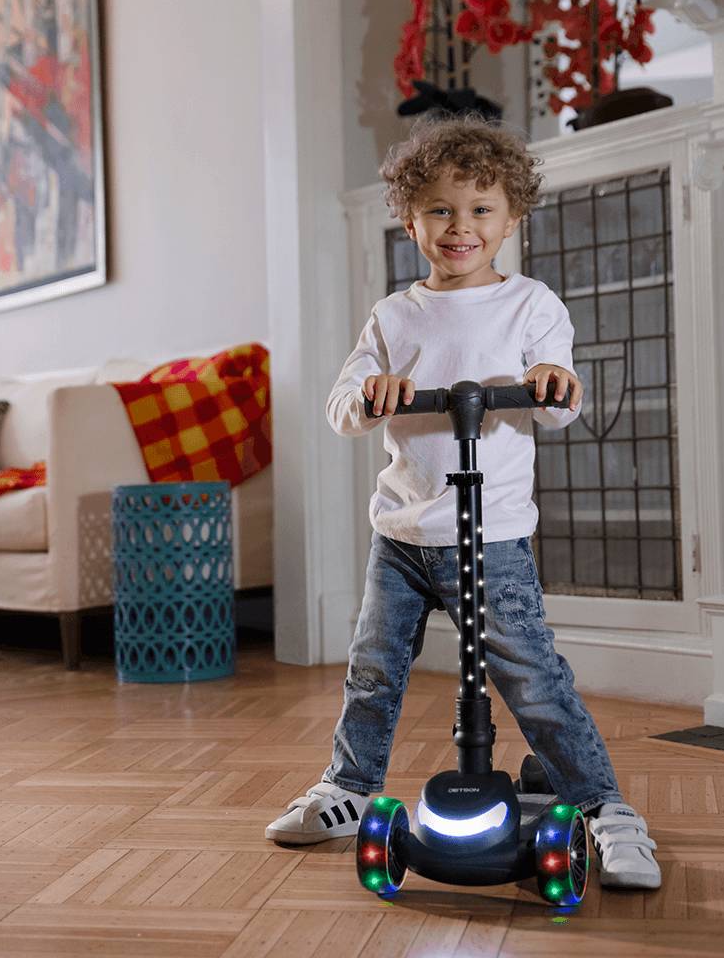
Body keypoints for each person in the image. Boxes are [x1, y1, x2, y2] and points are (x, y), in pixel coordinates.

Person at [265, 114, 660, 890]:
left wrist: (552, 379)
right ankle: (347, 788)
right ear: (411, 220)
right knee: (374, 670)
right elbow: (344, 406)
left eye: (480, 209)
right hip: (404, 534)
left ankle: (604, 808)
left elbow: (559, 401)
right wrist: (373, 394)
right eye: (441, 210)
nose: (460, 227)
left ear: (512, 217)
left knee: (535, 681)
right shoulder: (395, 315)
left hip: (495, 538)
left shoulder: (531, 305)